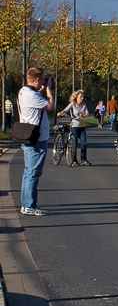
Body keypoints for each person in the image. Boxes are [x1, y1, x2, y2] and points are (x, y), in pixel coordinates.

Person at [18, 67, 54, 216]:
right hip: (37, 138)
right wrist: (49, 89)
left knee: (28, 172)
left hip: (28, 135)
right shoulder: (32, 95)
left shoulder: (23, 91)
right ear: (38, 80)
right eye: (42, 80)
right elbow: (51, 106)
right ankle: (29, 205)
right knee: (33, 172)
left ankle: (26, 204)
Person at [57, 90, 91, 166]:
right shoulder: (73, 104)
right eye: (80, 97)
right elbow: (66, 110)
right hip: (74, 126)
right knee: (74, 144)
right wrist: (61, 113)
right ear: (76, 97)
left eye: (83, 97)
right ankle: (74, 160)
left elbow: (87, 113)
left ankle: (83, 159)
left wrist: (84, 115)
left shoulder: (84, 105)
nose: (82, 98)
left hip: (82, 127)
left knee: (84, 143)